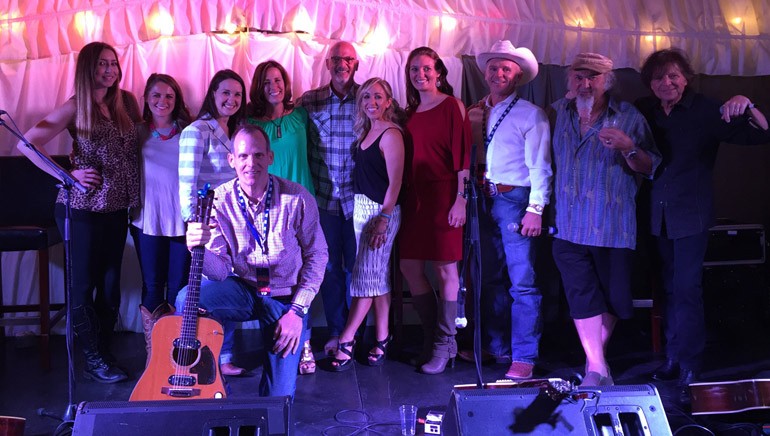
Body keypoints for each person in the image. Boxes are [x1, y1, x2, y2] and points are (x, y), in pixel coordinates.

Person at [636, 48, 770, 403]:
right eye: (659, 77)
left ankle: (690, 364)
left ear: (686, 78)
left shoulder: (707, 110)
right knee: (667, 288)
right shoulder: (645, 110)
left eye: (673, 76)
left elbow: (763, 132)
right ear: (650, 83)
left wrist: (746, 102)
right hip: (656, 213)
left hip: (690, 214)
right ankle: (672, 357)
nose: (666, 83)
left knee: (686, 290)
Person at [16, 41, 141, 383]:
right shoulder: (75, 107)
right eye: (102, 64)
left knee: (111, 285)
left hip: (116, 206)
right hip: (82, 208)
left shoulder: (126, 102)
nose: (110, 70)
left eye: (113, 64)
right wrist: (66, 175)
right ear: (88, 68)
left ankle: (103, 350)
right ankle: (93, 357)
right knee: (84, 285)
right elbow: (26, 142)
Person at [175, 124, 327, 397]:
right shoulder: (219, 201)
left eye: (258, 155)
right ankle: (206, 379)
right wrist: (197, 249)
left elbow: (318, 256)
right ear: (232, 160)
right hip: (245, 289)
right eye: (243, 156)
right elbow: (220, 271)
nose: (251, 163)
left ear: (270, 157)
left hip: (285, 299)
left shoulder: (297, 198)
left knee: (279, 396)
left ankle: (291, 350)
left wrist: (297, 313)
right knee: (187, 298)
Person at [549, 52, 660, 386]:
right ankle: (596, 368)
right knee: (581, 296)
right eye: (579, 77)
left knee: (610, 298)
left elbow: (651, 165)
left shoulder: (628, 117)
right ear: (570, 80)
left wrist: (628, 147)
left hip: (611, 224)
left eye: (593, 77)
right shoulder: (558, 113)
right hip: (568, 224)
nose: (585, 84)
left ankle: (595, 365)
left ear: (607, 81)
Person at [464, 40, 552, 380]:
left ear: (517, 76)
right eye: (494, 67)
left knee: (522, 282)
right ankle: (497, 346)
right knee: (489, 277)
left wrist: (535, 208)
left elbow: (540, 166)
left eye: (506, 68)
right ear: (485, 73)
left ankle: (524, 356)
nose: (498, 72)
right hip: (481, 198)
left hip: (515, 200)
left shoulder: (532, 114)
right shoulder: (475, 111)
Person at [400, 46, 471, 375]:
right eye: (414, 69)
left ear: (439, 72)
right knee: (409, 267)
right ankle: (432, 339)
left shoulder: (452, 106)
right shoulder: (410, 113)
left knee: (446, 272)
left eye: (426, 68)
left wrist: (461, 200)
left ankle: (445, 343)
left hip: (445, 195)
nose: (420, 74)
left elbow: (463, 160)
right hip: (415, 200)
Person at [329, 78, 405, 371]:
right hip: (362, 209)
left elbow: (395, 182)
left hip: (381, 213)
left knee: (362, 280)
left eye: (378, 97)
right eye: (366, 97)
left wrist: (383, 220)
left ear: (388, 101)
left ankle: (346, 340)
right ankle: (383, 338)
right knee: (376, 277)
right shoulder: (367, 131)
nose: (371, 102)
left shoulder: (391, 134)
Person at [246, 60, 317, 375]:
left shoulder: (301, 115)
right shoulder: (249, 122)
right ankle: (275, 339)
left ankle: (304, 341)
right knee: (270, 279)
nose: (273, 86)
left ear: (286, 84)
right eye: (266, 82)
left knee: (305, 275)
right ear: (259, 88)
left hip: (301, 205)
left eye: (278, 80)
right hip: (266, 208)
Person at [178, 69, 247, 376]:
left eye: (237, 94)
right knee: (207, 293)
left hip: (239, 225)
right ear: (213, 94)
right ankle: (204, 355)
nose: (231, 100)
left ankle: (227, 354)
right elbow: (186, 185)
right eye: (225, 93)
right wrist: (196, 229)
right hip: (210, 226)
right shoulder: (197, 131)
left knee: (231, 288)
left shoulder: (237, 132)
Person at [298, 41, 360, 357]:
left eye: (348, 59)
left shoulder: (368, 98)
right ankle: (337, 330)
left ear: (356, 64)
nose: (342, 64)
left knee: (360, 270)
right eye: (336, 58)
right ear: (327, 63)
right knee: (332, 269)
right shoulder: (309, 101)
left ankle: (356, 333)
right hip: (323, 202)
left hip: (359, 201)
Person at [129, 73, 193, 365]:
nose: (162, 101)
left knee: (179, 288)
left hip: (182, 222)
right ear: (146, 99)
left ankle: (177, 354)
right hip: (147, 220)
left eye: (169, 96)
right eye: (156, 95)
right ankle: (154, 356)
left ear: (177, 99)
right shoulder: (136, 132)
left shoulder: (190, 131)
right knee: (153, 286)